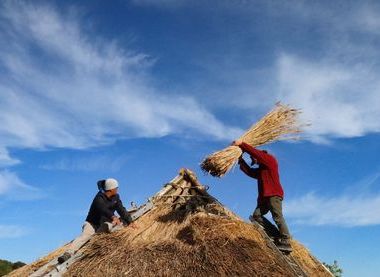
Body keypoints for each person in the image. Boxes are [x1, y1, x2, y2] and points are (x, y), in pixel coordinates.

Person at [232, 139, 292, 252]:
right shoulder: (261, 170)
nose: (254, 161)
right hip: (265, 198)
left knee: (277, 216)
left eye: (253, 159)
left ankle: (285, 240)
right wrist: (240, 161)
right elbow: (250, 172)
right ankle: (276, 234)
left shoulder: (269, 160)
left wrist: (242, 144)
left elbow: (256, 153)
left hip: (274, 194)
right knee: (256, 216)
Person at [58, 178, 134, 263]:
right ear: (111, 189)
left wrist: (130, 222)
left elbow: (121, 209)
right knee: (85, 236)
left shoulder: (116, 197)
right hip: (92, 224)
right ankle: (68, 253)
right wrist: (113, 216)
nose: (117, 189)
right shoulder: (99, 197)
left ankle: (103, 232)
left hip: (104, 224)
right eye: (116, 188)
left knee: (113, 225)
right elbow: (102, 208)